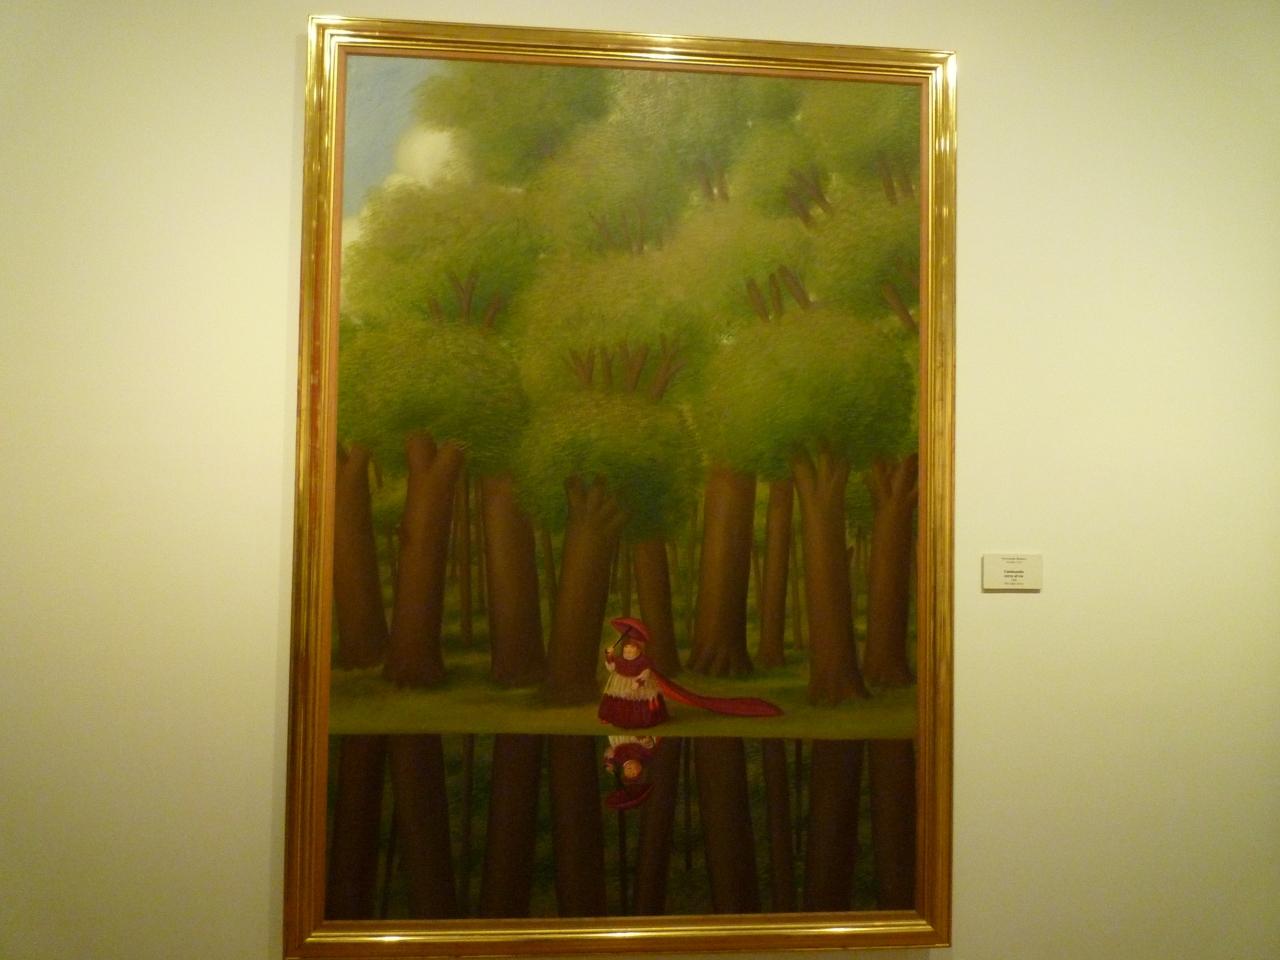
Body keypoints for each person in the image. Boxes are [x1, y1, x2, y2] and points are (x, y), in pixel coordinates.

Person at [597, 618, 668, 729]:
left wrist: (639, 682)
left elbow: (646, 673)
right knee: (618, 699)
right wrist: (609, 656)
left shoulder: (643, 660)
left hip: (638, 685)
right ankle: (613, 717)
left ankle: (639, 720)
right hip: (621, 684)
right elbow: (611, 668)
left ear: (639, 649)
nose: (628, 650)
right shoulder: (620, 660)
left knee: (638, 702)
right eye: (626, 647)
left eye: (632, 647)